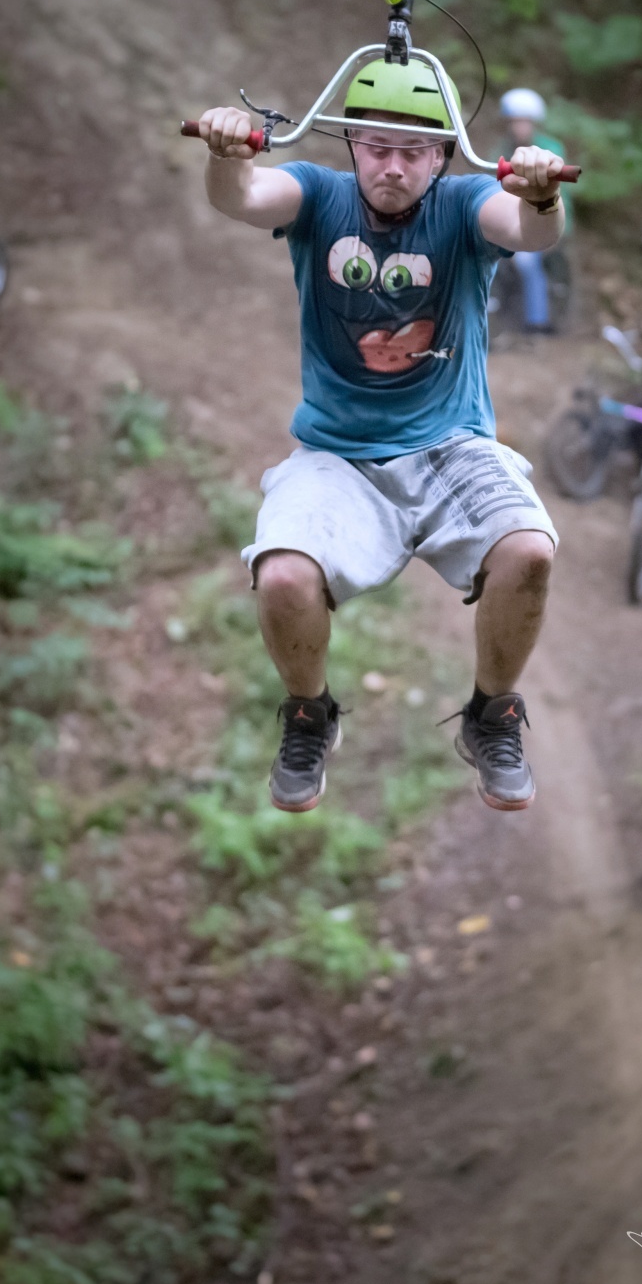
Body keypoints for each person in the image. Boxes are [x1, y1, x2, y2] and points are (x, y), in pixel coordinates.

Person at [195, 59, 567, 815]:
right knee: (283, 575)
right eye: (376, 146)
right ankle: (309, 716)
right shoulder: (319, 195)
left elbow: (529, 231)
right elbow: (243, 196)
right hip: (338, 454)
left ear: (442, 156)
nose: (392, 166)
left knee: (529, 549)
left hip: (450, 444)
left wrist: (541, 193)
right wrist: (226, 155)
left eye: (413, 150)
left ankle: (491, 714)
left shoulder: (463, 204)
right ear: (351, 144)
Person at [498, 88, 567, 333]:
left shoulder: (550, 148)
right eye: (515, 121)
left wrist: (559, 225)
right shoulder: (502, 150)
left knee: (528, 263)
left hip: (540, 218)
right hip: (506, 218)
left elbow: (561, 194)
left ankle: (537, 320)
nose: (520, 127)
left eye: (525, 121)